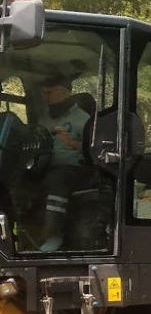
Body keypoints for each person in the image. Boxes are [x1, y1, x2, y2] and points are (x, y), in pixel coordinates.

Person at [37, 74, 90, 252]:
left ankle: (53, 236)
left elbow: (93, 149)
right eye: (43, 93)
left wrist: (71, 142)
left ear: (65, 92)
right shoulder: (45, 118)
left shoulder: (83, 119)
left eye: (49, 93)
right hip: (43, 165)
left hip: (72, 168)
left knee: (57, 180)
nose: (46, 98)